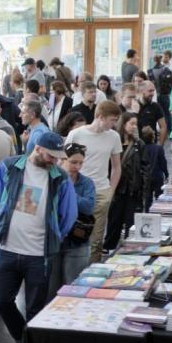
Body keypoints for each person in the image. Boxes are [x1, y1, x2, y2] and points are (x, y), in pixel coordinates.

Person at [0, 132, 77, 343]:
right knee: (2, 301)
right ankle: (25, 339)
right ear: (37, 149)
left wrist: (55, 236)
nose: (55, 161)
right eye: (52, 156)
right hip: (8, 248)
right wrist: (7, 223)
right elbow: (0, 198)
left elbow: (68, 214)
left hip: (39, 254)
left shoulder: (60, 178)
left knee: (34, 308)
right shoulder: (9, 166)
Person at [65, 101, 123, 263]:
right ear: (100, 117)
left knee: (96, 239)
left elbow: (117, 167)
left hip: (101, 190)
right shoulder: (77, 134)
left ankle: (91, 273)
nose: (114, 124)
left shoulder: (113, 137)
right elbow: (64, 162)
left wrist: (111, 191)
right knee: (73, 234)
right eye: (112, 120)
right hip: (78, 190)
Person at [48, 143, 96, 299]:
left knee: (74, 289)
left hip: (78, 242)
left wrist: (66, 192)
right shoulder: (51, 179)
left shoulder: (87, 183)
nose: (78, 166)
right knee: (51, 290)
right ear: (63, 160)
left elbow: (88, 207)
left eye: (81, 162)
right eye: (73, 162)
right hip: (54, 241)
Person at [103, 112, 149, 250]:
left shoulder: (138, 144)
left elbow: (145, 167)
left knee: (132, 223)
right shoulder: (112, 142)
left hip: (133, 190)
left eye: (136, 124)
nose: (135, 127)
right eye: (132, 123)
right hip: (117, 189)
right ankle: (108, 248)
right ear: (123, 124)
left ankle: (130, 249)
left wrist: (144, 189)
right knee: (114, 222)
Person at [142, 127, 169, 211]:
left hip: (146, 177)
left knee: (147, 198)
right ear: (153, 137)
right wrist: (166, 174)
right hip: (157, 176)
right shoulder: (158, 148)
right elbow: (163, 163)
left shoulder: (142, 148)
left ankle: (147, 214)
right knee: (159, 197)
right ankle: (158, 213)